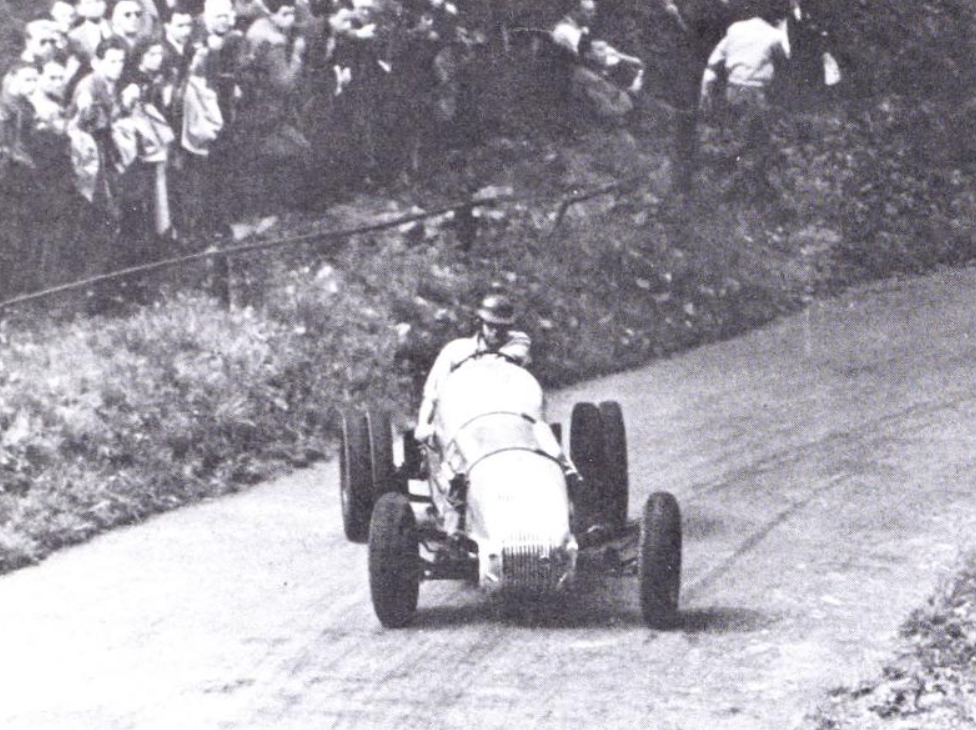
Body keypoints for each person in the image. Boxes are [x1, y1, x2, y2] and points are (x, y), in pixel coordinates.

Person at [414, 293, 532, 444]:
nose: (495, 332)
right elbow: (432, 395)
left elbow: (505, 359)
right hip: (463, 422)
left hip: (506, 419)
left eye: (502, 328)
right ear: (479, 323)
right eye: (490, 326)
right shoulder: (455, 350)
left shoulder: (518, 343)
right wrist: (423, 424)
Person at [550, 0, 644, 121]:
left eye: (594, 10)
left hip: (585, 72)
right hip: (573, 78)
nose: (594, 14)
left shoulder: (580, 29)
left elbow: (601, 50)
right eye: (589, 11)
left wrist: (629, 59)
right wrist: (624, 61)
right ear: (574, 11)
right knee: (620, 95)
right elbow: (593, 55)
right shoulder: (565, 31)